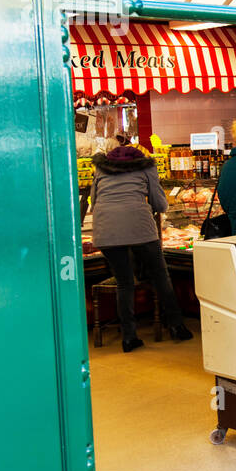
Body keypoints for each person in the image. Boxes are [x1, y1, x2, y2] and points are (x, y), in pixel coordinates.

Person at [90, 144, 192, 351]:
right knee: (160, 275)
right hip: (139, 227)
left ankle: (128, 337)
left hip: (105, 230)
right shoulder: (146, 167)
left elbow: (94, 200)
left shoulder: (100, 168)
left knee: (124, 282)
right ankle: (176, 326)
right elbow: (160, 204)